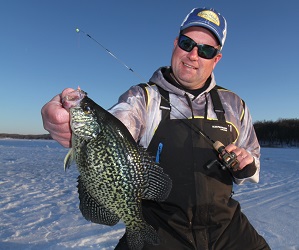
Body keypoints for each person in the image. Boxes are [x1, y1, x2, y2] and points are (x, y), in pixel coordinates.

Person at [41, 7, 270, 250]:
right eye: (187, 43)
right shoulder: (142, 98)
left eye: (205, 50)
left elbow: (253, 159)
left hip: (226, 228)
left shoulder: (235, 105)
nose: (193, 55)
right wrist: (63, 121)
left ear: (216, 59)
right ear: (175, 43)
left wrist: (247, 165)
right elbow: (118, 123)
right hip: (161, 227)